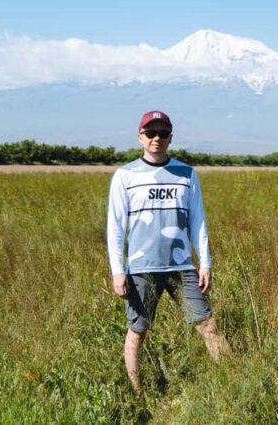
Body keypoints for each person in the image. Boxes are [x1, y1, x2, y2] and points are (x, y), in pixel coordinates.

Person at [106, 110, 230, 393]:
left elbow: (198, 221)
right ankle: (137, 394)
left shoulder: (186, 174)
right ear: (140, 138)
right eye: (150, 133)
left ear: (170, 138)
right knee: (138, 332)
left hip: (182, 266)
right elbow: (115, 227)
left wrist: (205, 263)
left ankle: (229, 382)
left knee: (207, 325)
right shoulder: (125, 175)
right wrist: (117, 271)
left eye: (162, 133)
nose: (156, 139)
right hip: (140, 268)